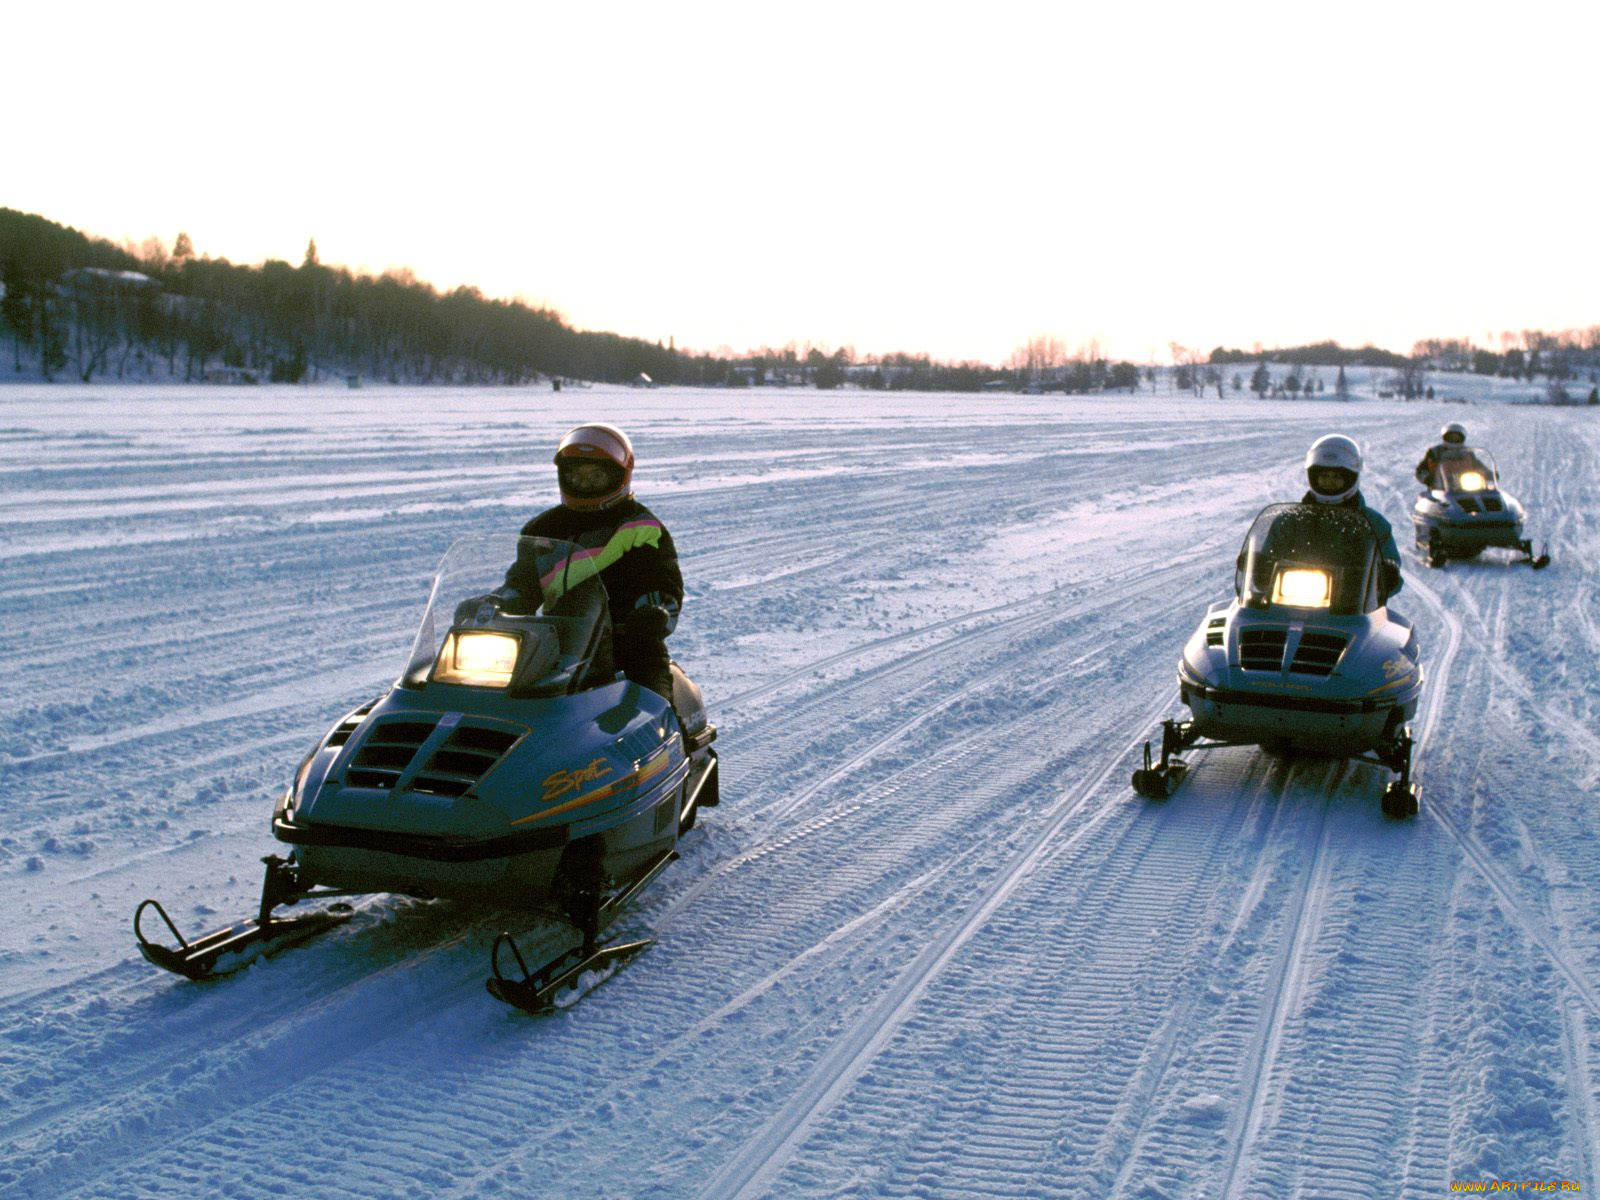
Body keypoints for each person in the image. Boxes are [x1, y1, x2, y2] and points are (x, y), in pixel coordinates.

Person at [496, 423, 682, 702]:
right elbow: (523, 582)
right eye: (576, 476)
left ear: (619, 475)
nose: (584, 484)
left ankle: (670, 726)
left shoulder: (640, 526)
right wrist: (499, 603)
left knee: (651, 705)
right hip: (558, 644)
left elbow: (662, 581)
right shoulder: (543, 528)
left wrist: (654, 613)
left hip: (628, 644)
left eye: (596, 476)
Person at [1302, 433, 1403, 597]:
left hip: (1354, 602)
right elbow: (1267, 553)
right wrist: (1261, 564)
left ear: (1351, 477)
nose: (1330, 481)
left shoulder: (1373, 523)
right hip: (1292, 599)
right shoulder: (1291, 520)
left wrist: (1388, 574)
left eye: (1337, 476)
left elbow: (1391, 563)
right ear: (1313, 477)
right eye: (1324, 476)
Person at [1413, 421, 1467, 488]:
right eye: (1451, 437)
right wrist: (1428, 479)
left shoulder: (1466, 452)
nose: (1453, 439)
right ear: (1445, 437)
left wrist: (1480, 473)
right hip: (1439, 487)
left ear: (1461, 438)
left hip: (1465, 487)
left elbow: (1477, 465)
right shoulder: (1435, 451)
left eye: (1456, 438)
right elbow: (1421, 470)